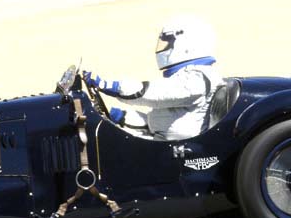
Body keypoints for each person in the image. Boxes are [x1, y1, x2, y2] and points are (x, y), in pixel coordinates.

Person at [83, 17, 223, 141]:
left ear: (185, 45)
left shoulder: (197, 79)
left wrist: (106, 85)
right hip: (166, 143)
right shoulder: (192, 76)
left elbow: (152, 94)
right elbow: (163, 120)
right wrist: (118, 116)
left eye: (168, 42)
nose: (163, 48)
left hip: (177, 151)